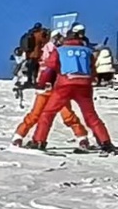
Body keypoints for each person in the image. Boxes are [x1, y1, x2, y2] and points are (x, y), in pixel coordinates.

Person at [29, 24, 113, 153]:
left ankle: (39, 140)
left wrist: (42, 83)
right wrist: (93, 79)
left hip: (65, 84)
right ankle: (105, 142)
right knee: (91, 115)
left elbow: (50, 68)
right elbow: (92, 69)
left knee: (48, 113)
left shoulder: (60, 50)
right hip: (84, 85)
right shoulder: (87, 51)